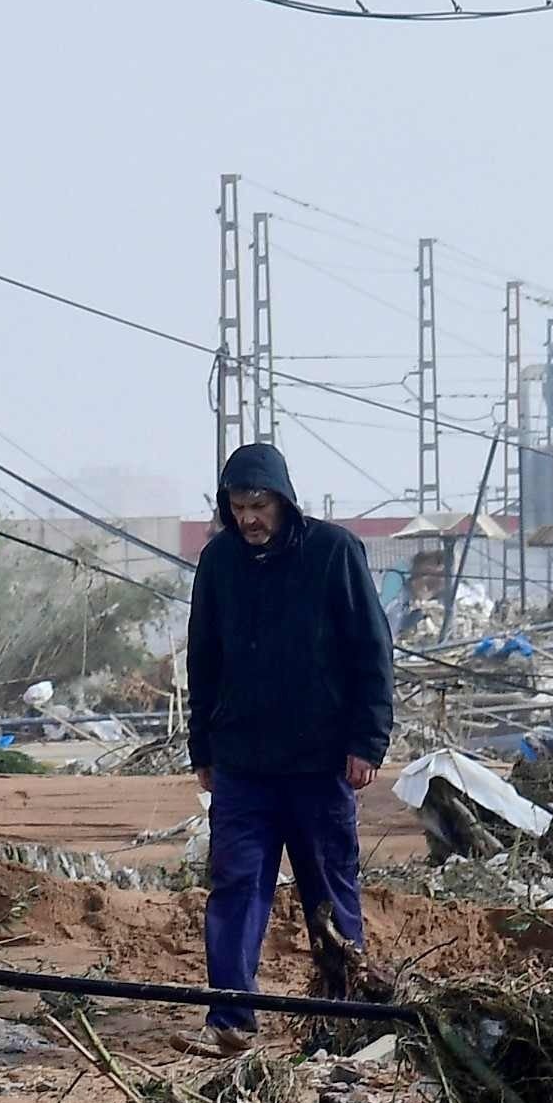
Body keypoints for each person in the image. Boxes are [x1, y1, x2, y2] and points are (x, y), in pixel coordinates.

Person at [186, 440, 393, 1053]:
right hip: (243, 765)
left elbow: (371, 654)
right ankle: (231, 1018)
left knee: (328, 892)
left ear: (283, 500)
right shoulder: (218, 562)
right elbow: (204, 659)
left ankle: (339, 1019)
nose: (249, 517)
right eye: (238, 505)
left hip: (319, 761)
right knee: (236, 886)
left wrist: (367, 741)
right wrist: (204, 746)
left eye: (259, 504)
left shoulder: (334, 553)